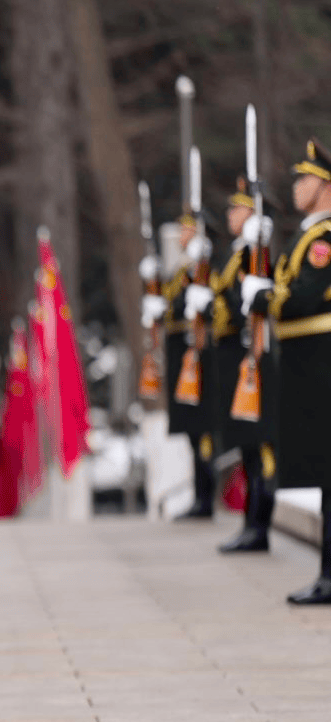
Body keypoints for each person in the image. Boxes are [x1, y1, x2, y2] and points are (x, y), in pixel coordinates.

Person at [248, 139, 331, 603]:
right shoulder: (307, 236)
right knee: (323, 471)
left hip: (322, 362)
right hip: (308, 365)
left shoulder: (325, 239)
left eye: (304, 179)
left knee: (328, 470)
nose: (296, 187)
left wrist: (260, 296)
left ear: (324, 185)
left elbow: (300, 297)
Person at [210, 176, 276, 554]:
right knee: (246, 449)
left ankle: (259, 523)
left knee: (258, 447)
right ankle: (250, 522)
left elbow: (254, 301)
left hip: (251, 356)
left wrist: (258, 248)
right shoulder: (238, 254)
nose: (230, 215)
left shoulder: (254, 252)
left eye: (237, 208)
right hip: (233, 356)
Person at [165, 214, 219, 519]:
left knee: (203, 430)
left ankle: (206, 497)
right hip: (182, 355)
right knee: (192, 432)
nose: (181, 234)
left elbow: (212, 309)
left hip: (199, 355)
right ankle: (200, 495)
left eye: (187, 229)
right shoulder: (184, 270)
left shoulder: (205, 268)